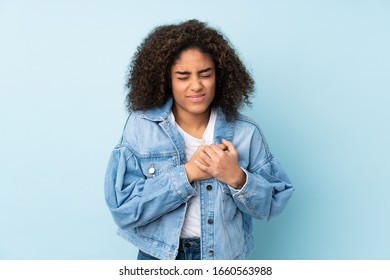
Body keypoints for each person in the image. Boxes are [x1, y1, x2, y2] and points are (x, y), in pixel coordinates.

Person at [104, 19, 294, 260]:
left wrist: (237, 177)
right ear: (166, 80)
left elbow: (272, 204)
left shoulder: (246, 133)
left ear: (220, 76)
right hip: (158, 258)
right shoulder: (141, 127)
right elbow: (124, 209)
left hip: (223, 258)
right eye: (183, 77)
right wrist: (187, 173)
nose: (196, 86)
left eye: (205, 74)